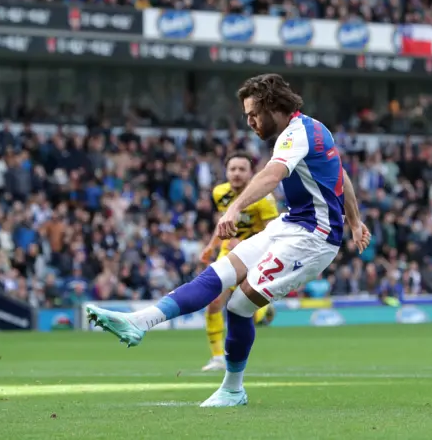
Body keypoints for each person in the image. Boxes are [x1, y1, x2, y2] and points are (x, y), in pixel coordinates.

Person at [86, 73, 371, 407]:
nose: (249, 122)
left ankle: (233, 390)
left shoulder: (296, 134)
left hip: (313, 237)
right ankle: (139, 322)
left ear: (271, 106)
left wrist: (235, 207)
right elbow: (341, 177)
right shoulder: (314, 128)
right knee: (218, 275)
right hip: (292, 224)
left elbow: (271, 175)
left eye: (253, 113)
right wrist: (354, 220)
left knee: (238, 306)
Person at [199, 151, 279, 372]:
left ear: (251, 172)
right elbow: (222, 222)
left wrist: (246, 243)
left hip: (254, 255)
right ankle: (217, 358)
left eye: (242, 169)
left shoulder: (264, 198)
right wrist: (212, 245)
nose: (236, 173)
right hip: (227, 253)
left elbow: (273, 232)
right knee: (214, 302)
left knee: (242, 309)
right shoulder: (219, 193)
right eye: (232, 169)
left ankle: (263, 311)